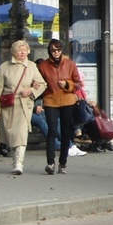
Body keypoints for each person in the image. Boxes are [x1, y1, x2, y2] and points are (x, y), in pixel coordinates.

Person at [0, 40, 46, 175]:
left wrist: (31, 91)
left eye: (25, 50)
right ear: (14, 52)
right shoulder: (4, 67)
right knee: (11, 136)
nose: (22, 52)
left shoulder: (32, 66)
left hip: (24, 105)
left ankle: (18, 164)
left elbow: (42, 83)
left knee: (21, 134)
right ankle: (14, 162)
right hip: (8, 106)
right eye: (19, 50)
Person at [36, 39, 83, 174]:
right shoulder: (43, 66)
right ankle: (50, 163)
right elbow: (39, 82)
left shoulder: (70, 64)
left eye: (58, 49)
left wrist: (67, 84)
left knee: (66, 131)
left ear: (62, 50)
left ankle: (63, 163)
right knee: (52, 130)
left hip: (68, 100)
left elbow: (78, 84)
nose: (56, 52)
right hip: (50, 99)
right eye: (53, 50)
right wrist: (37, 86)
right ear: (49, 51)